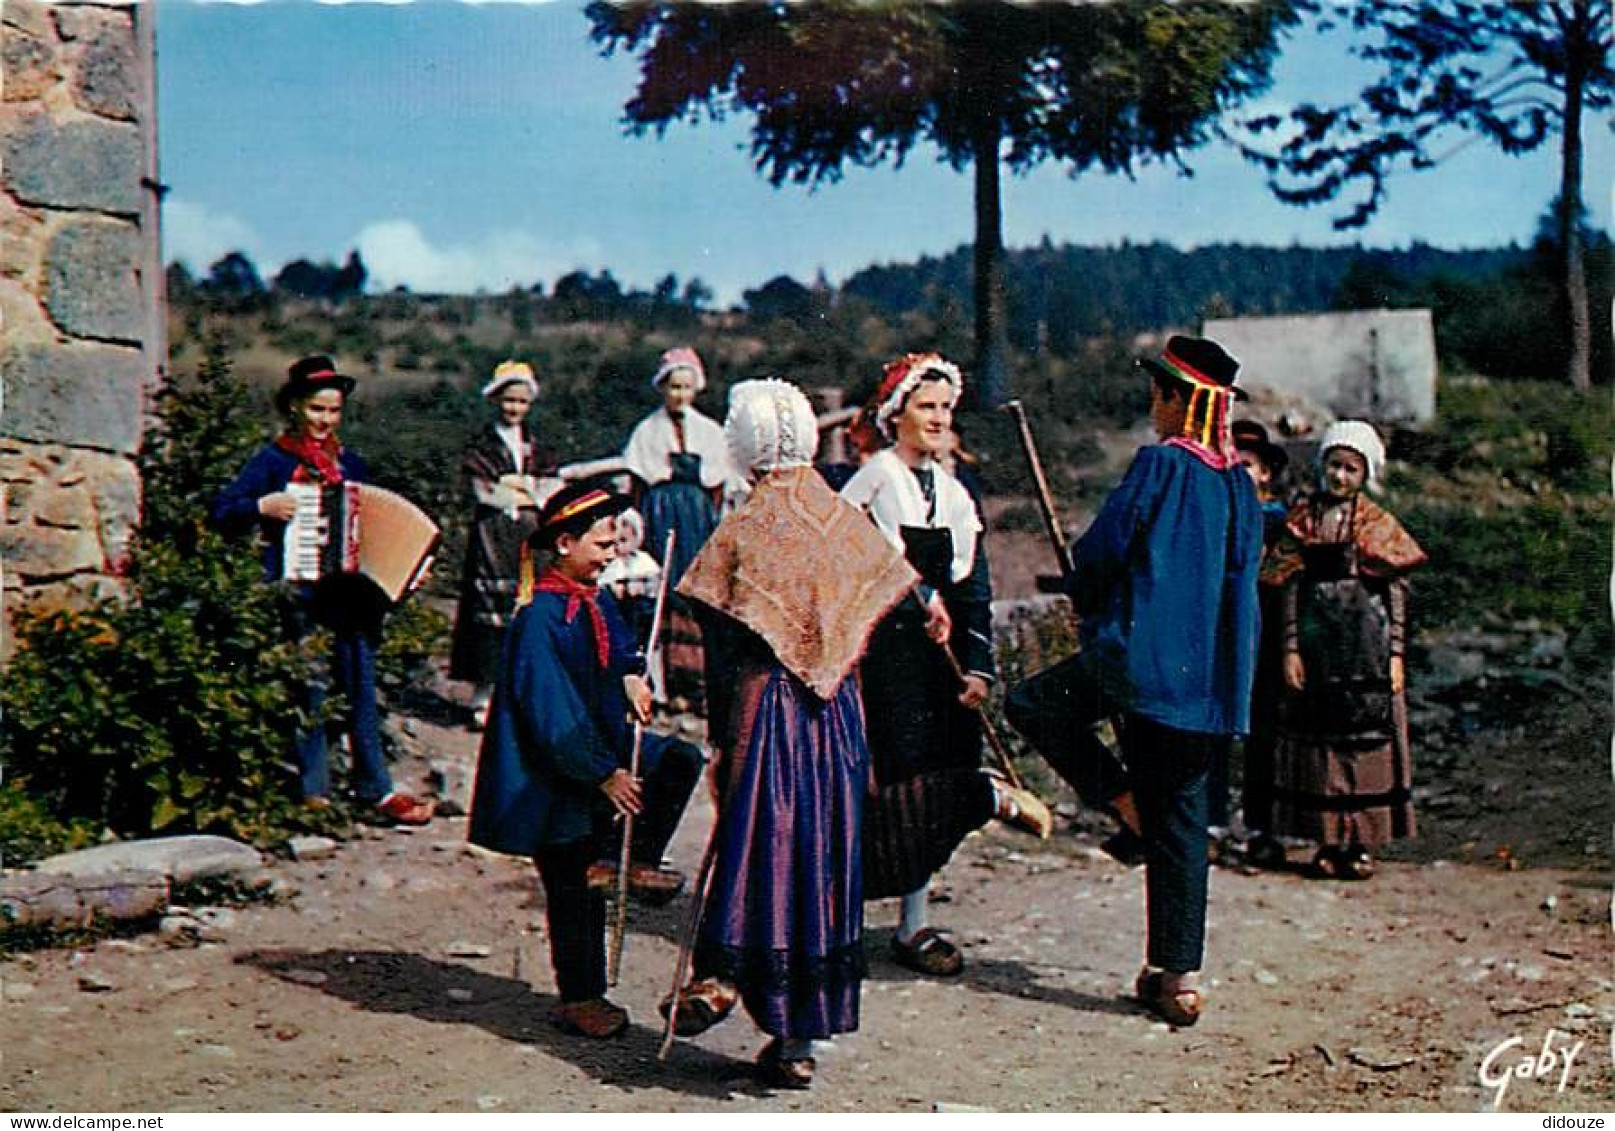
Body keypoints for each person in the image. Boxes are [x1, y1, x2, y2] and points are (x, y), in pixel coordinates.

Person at [666, 379, 918, 1088]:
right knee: (822, 856)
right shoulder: (842, 521)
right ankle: (797, 1036)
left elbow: (716, 647)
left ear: (743, 445)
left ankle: (728, 979)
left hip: (767, 712)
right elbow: (888, 609)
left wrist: (723, 737)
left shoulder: (743, 528)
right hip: (837, 714)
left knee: (762, 848)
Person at [1064, 335, 1263, 1027]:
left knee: (1037, 704)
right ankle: (1177, 978)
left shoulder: (1160, 467)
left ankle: (1121, 801)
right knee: (1182, 818)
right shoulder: (1239, 485)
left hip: (1141, 666)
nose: (1154, 406)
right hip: (1208, 685)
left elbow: (1105, 549)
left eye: (1159, 393)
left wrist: (1080, 580)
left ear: (1180, 401)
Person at [839, 352, 1052, 980]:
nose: (938, 419)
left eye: (945, 409)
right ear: (895, 414)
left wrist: (979, 668)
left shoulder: (956, 494)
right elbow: (856, 563)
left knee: (940, 784)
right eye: (926, 407)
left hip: (941, 669)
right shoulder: (874, 479)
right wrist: (913, 599)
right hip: (881, 662)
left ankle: (912, 922)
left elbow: (974, 588)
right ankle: (841, 919)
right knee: (884, 788)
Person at [211, 355, 433, 826]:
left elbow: (377, 528)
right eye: (316, 409)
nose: (324, 420)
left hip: (350, 596)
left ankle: (375, 788)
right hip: (298, 590)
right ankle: (315, 792)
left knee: (361, 684)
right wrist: (260, 506)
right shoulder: (273, 461)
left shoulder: (350, 464)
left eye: (333, 411)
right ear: (294, 407)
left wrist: (408, 570)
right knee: (309, 686)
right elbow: (222, 510)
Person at [466, 480, 651, 1039]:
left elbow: (619, 652)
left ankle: (637, 858)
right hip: (555, 777)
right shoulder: (539, 618)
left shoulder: (596, 601)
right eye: (601, 542)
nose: (612, 551)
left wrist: (629, 677)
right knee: (572, 886)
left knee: (677, 761)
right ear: (565, 544)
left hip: (590, 761)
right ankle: (580, 997)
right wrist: (602, 773)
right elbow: (551, 710)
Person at [1258, 420, 1427, 881]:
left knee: (1367, 743)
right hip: (1317, 647)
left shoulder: (1376, 525)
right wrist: (1290, 647)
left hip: (1365, 648)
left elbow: (1394, 594)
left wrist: (1395, 654)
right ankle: (1326, 841)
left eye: (1351, 469)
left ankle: (1361, 843)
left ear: (1365, 473)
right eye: (1334, 465)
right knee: (1319, 747)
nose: (1340, 477)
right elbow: (1286, 586)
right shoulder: (1301, 520)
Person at [621, 346, 735, 711]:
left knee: (694, 588)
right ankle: (661, 682)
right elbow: (637, 484)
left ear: (696, 389)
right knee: (662, 587)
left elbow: (717, 485)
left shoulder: (708, 431)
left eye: (686, 388)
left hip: (695, 514)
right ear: (661, 388)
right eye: (673, 387)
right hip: (660, 511)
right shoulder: (647, 431)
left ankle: (695, 683)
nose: (679, 395)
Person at [449, 360, 559, 730]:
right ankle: (484, 694)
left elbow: (548, 488)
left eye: (521, 402)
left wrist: (523, 489)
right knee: (488, 612)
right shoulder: (482, 444)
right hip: (492, 533)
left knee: (526, 606)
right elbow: (485, 491)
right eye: (508, 400)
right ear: (496, 400)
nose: (514, 408)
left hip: (529, 535)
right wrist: (518, 489)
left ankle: (522, 695)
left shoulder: (537, 445)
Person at [1230, 420, 1294, 867]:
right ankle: (1215, 823)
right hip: (1225, 636)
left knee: (1267, 735)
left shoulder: (1281, 524)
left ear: (1267, 473)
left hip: (1270, 636)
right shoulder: (1221, 517)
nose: (1241, 472)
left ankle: (1265, 829)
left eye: (1248, 465)